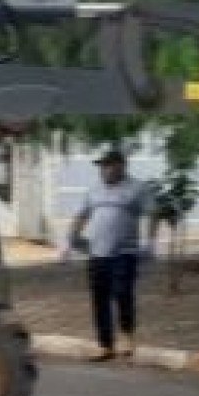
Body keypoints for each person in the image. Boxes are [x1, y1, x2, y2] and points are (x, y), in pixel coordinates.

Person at [65, 149, 158, 362]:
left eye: (108, 165)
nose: (104, 170)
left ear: (121, 166)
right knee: (99, 299)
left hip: (124, 252)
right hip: (97, 253)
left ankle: (127, 336)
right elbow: (82, 214)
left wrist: (151, 242)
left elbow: (153, 212)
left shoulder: (137, 188)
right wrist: (71, 238)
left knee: (123, 292)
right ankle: (105, 345)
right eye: (102, 166)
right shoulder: (93, 191)